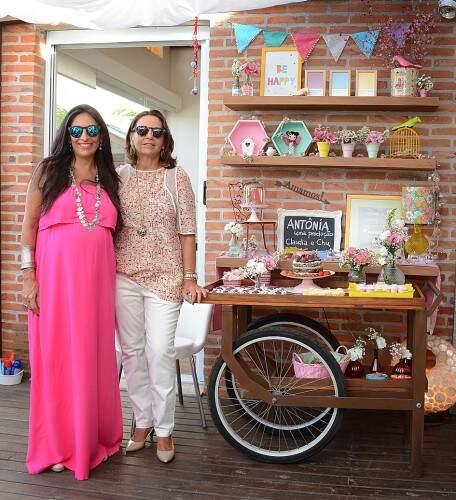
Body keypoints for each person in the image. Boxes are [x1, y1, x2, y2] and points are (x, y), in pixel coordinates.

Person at [21, 104, 123, 480]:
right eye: (77, 131)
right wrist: (27, 274)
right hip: (54, 281)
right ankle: (58, 443)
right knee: (57, 360)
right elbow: (28, 227)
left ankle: (91, 438)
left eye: (92, 130)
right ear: (67, 135)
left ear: (101, 136)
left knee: (92, 358)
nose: (84, 137)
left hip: (97, 284)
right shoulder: (48, 171)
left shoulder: (109, 177)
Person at [115, 109, 206, 463]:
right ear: (133, 137)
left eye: (156, 131)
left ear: (165, 139)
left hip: (166, 278)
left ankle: (165, 430)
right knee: (132, 352)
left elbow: (187, 230)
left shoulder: (176, 177)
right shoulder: (118, 176)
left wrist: (189, 277)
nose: (149, 136)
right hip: (123, 275)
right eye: (142, 130)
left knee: (159, 352)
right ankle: (142, 422)